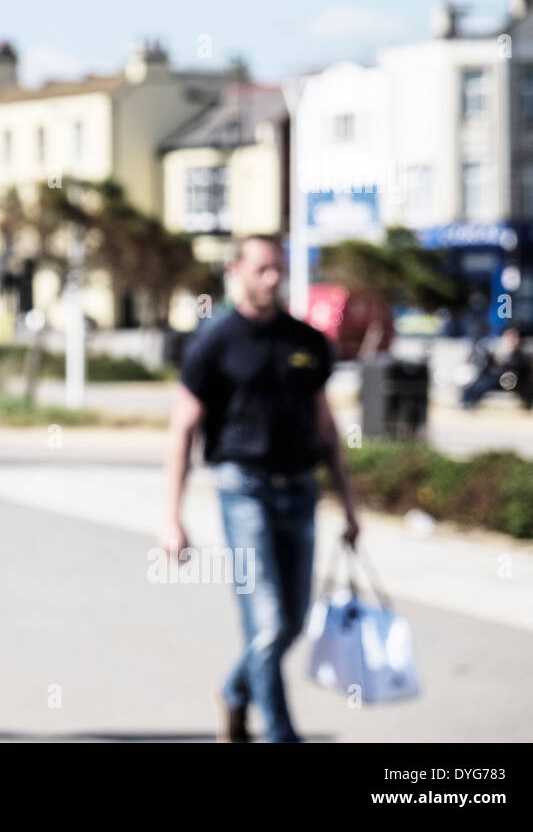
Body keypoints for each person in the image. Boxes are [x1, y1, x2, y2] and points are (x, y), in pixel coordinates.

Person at [160, 233, 360, 743]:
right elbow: (183, 427)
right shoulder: (214, 342)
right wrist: (171, 516)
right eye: (263, 269)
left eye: (279, 269)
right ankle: (279, 733)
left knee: (292, 621)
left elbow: (326, 425)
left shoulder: (306, 342)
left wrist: (350, 505)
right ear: (237, 272)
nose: (273, 279)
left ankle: (233, 691)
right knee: (267, 623)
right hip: (242, 490)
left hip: (300, 490)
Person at [461, 327, 531, 409]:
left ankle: (470, 402)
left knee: (485, 383)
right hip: (494, 375)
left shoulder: (519, 353)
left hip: (508, 379)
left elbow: (517, 369)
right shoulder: (499, 349)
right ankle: (467, 401)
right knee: (476, 384)